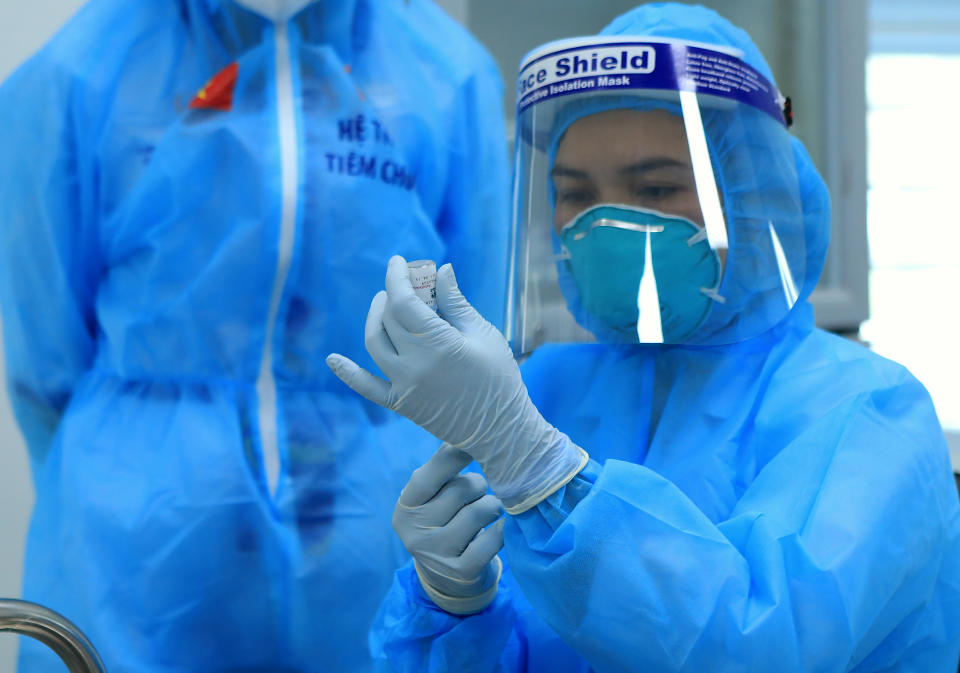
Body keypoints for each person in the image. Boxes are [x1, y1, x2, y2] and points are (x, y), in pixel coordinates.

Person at [326, 4, 960, 671]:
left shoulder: (869, 412)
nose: (605, 224)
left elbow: (758, 645)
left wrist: (545, 475)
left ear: (754, 195)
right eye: (576, 194)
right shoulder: (542, 390)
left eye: (655, 187)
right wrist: (453, 604)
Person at [0, 0, 508, 670]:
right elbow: (46, 343)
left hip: (381, 518)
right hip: (135, 545)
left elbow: (476, 333)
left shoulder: (445, 74)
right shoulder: (81, 70)